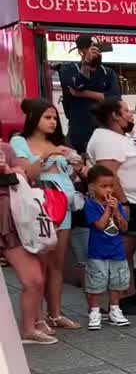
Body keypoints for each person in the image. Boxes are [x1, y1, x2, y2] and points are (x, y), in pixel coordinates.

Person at [11, 99, 83, 333]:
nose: (53, 122)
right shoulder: (20, 141)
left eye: (54, 118)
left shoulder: (58, 143)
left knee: (57, 263)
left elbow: (71, 177)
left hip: (62, 203)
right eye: (47, 117)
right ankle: (36, 317)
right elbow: (27, 174)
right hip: (39, 205)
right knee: (39, 263)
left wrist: (77, 166)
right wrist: (47, 156)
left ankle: (55, 313)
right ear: (34, 118)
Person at [87, 97, 136, 314]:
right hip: (129, 202)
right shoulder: (107, 139)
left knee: (131, 250)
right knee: (122, 251)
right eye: (125, 110)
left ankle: (131, 291)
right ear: (115, 115)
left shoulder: (119, 138)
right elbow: (109, 175)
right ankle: (119, 299)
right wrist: (122, 202)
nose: (130, 114)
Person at [1, 140, 56, 344]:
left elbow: (22, 176)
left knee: (34, 279)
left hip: (11, 219)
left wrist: (7, 169)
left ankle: (29, 328)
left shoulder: (5, 149)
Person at [81, 165, 132, 330]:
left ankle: (115, 309)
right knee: (96, 282)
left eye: (111, 186)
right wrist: (108, 209)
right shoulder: (90, 205)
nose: (108, 190)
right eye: (103, 186)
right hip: (98, 252)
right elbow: (101, 225)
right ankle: (95, 311)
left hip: (116, 250)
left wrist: (117, 212)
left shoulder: (116, 205)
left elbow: (124, 228)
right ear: (93, 186)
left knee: (117, 281)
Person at [60, 34, 121, 152]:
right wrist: (86, 64)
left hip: (105, 132)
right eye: (91, 49)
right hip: (79, 132)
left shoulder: (108, 73)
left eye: (98, 49)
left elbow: (115, 99)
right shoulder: (69, 69)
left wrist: (84, 94)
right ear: (81, 52)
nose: (96, 53)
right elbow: (78, 85)